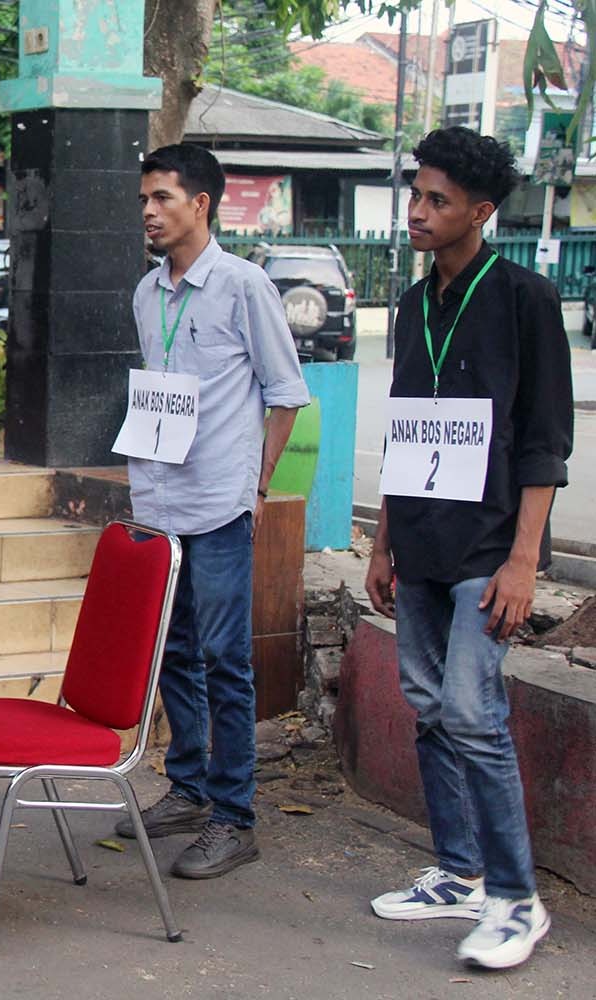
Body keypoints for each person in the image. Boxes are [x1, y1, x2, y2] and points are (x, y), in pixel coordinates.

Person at [365, 127, 573, 970]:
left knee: (473, 715)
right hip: (419, 542)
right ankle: (455, 871)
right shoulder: (414, 305)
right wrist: (381, 543)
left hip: (489, 546)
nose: (418, 211)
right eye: (415, 195)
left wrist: (524, 560)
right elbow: (406, 434)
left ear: (480, 213)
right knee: (426, 705)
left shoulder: (525, 299)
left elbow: (545, 442)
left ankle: (516, 899)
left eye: (437, 200)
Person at [114, 143, 308, 878]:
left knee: (227, 661)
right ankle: (189, 787)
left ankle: (234, 816)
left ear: (201, 203)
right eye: (142, 200)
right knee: (172, 651)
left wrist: (253, 487)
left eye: (161, 198)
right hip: (159, 503)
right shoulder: (146, 293)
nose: (149, 212)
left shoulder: (243, 286)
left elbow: (285, 394)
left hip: (221, 507)